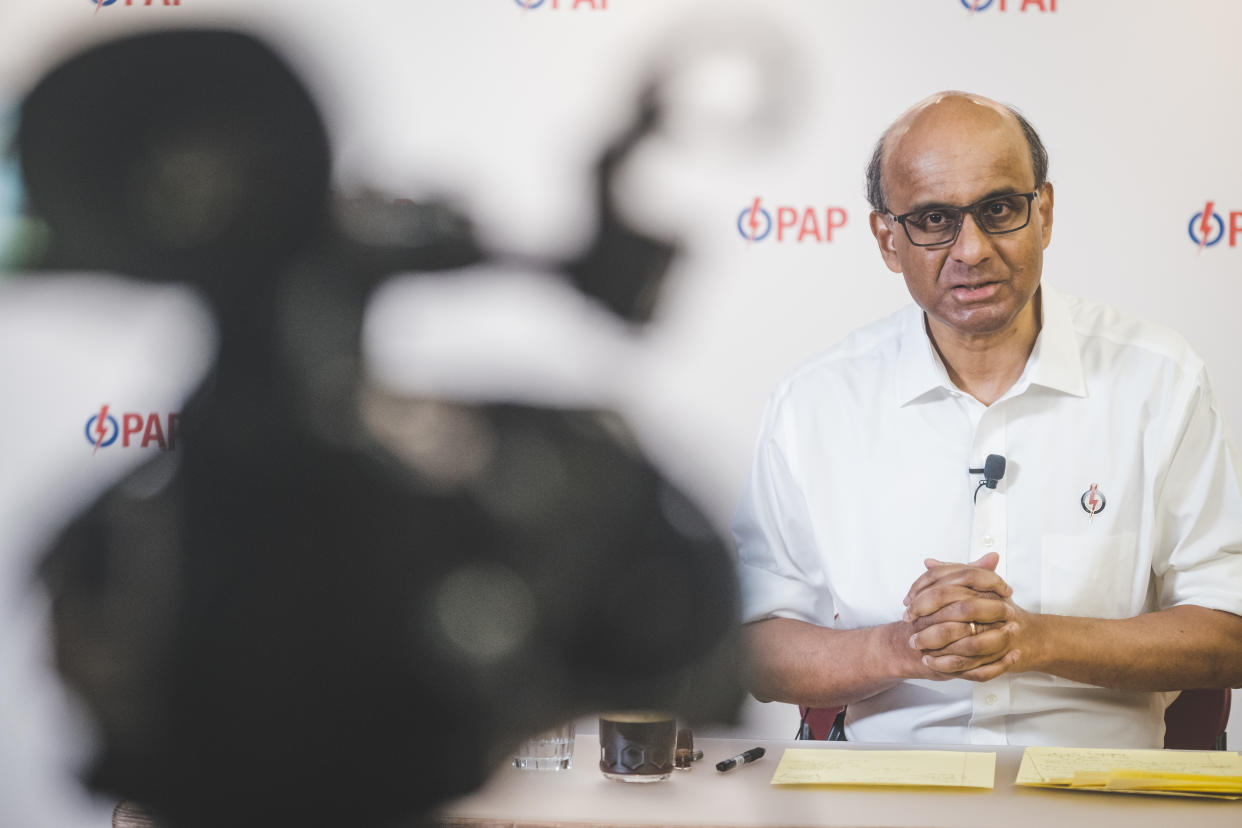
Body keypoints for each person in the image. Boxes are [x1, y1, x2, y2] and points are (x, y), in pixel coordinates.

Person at [732, 91, 1242, 747]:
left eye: (998, 209)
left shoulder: (1159, 379)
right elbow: (755, 645)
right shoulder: (816, 402)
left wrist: (1037, 639)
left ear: (1045, 214)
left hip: (1099, 798)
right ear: (888, 239)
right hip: (884, 794)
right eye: (934, 219)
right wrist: (907, 647)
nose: (971, 249)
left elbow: (1229, 632)